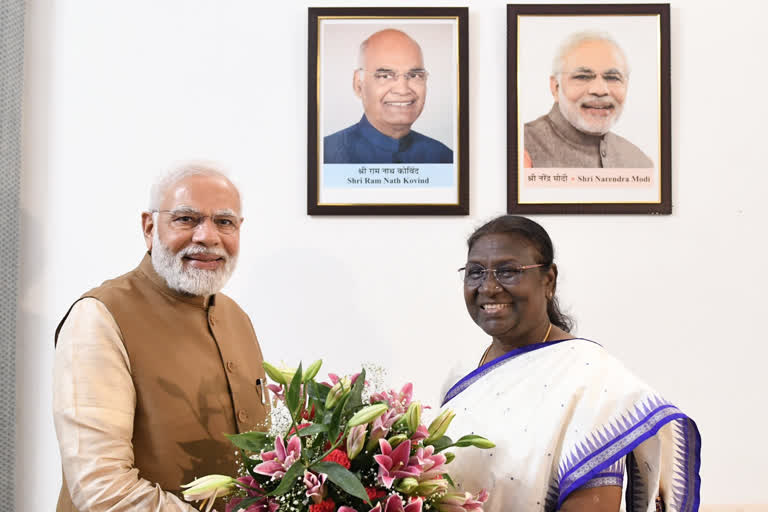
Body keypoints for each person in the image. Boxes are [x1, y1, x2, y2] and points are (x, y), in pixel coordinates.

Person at [443, 215, 700, 511]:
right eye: (475, 272)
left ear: (548, 280)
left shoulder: (593, 381)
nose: (488, 287)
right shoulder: (462, 375)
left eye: (508, 271)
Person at [53, 162, 270, 511]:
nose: (207, 237)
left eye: (224, 222)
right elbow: (101, 489)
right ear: (149, 227)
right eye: (187, 219)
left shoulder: (236, 318)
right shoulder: (99, 317)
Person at [524, 31, 654, 168]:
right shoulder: (520, 148)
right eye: (583, 76)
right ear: (556, 87)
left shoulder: (639, 163)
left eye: (612, 77)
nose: (600, 90)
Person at [324, 29, 453, 164]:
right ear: (359, 85)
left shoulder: (444, 158)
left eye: (414, 75)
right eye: (385, 76)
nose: (402, 90)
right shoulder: (325, 157)